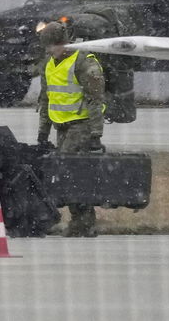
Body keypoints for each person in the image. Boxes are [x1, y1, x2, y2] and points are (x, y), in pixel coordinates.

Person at [38, 21, 105, 237]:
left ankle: (83, 222)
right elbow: (46, 99)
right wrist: (43, 133)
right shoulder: (49, 63)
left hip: (81, 125)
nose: (49, 51)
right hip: (62, 126)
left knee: (69, 172)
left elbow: (95, 101)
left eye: (53, 46)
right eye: (47, 47)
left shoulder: (85, 62)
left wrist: (96, 135)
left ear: (64, 43)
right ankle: (82, 221)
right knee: (70, 174)